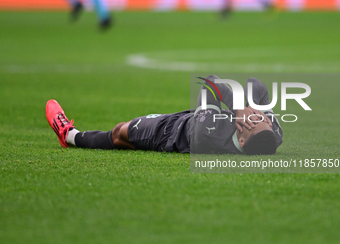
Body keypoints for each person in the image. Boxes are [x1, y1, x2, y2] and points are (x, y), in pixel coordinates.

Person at [46, 75, 283, 155]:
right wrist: (248, 104)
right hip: (201, 117)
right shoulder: (271, 133)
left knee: (120, 133)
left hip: (173, 132)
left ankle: (69, 135)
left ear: (241, 140)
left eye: (254, 123)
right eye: (263, 119)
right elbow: (256, 83)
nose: (258, 118)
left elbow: (211, 83)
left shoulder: (210, 133)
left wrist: (237, 105)